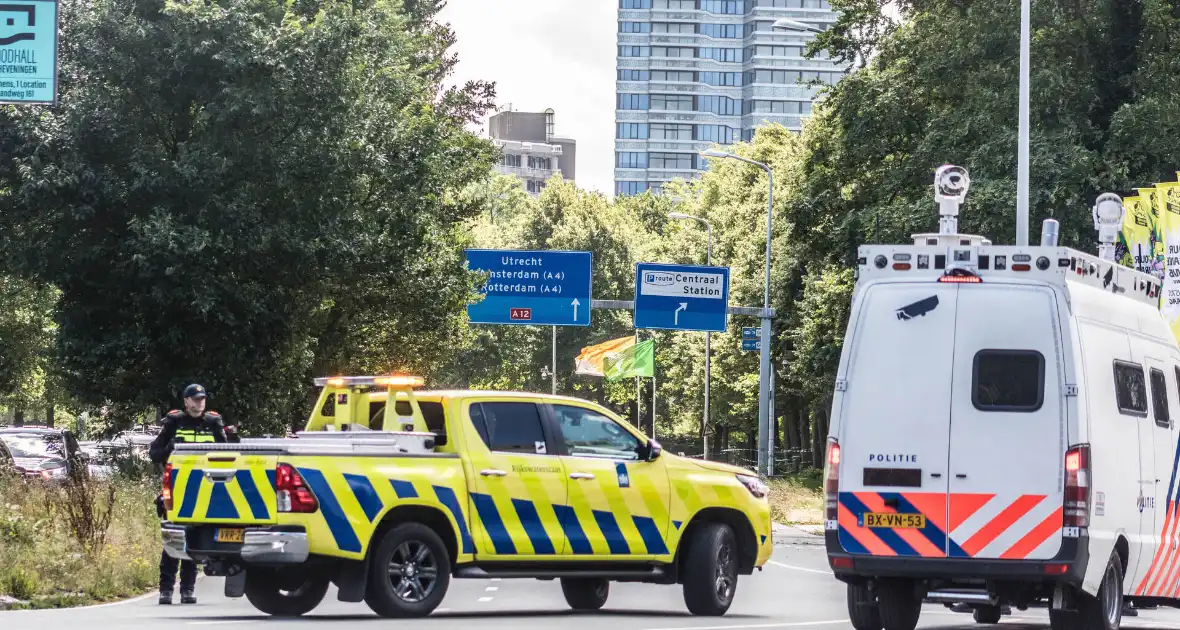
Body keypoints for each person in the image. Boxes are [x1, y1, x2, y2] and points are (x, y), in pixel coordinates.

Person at [149, 383, 227, 605]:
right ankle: (165, 591)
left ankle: (188, 590)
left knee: (193, 540)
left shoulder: (212, 423)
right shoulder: (174, 422)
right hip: (176, 490)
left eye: (202, 399)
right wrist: (169, 448)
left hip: (205, 490)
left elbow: (229, 452)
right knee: (174, 540)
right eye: (195, 399)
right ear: (186, 402)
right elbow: (154, 453)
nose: (199, 402)